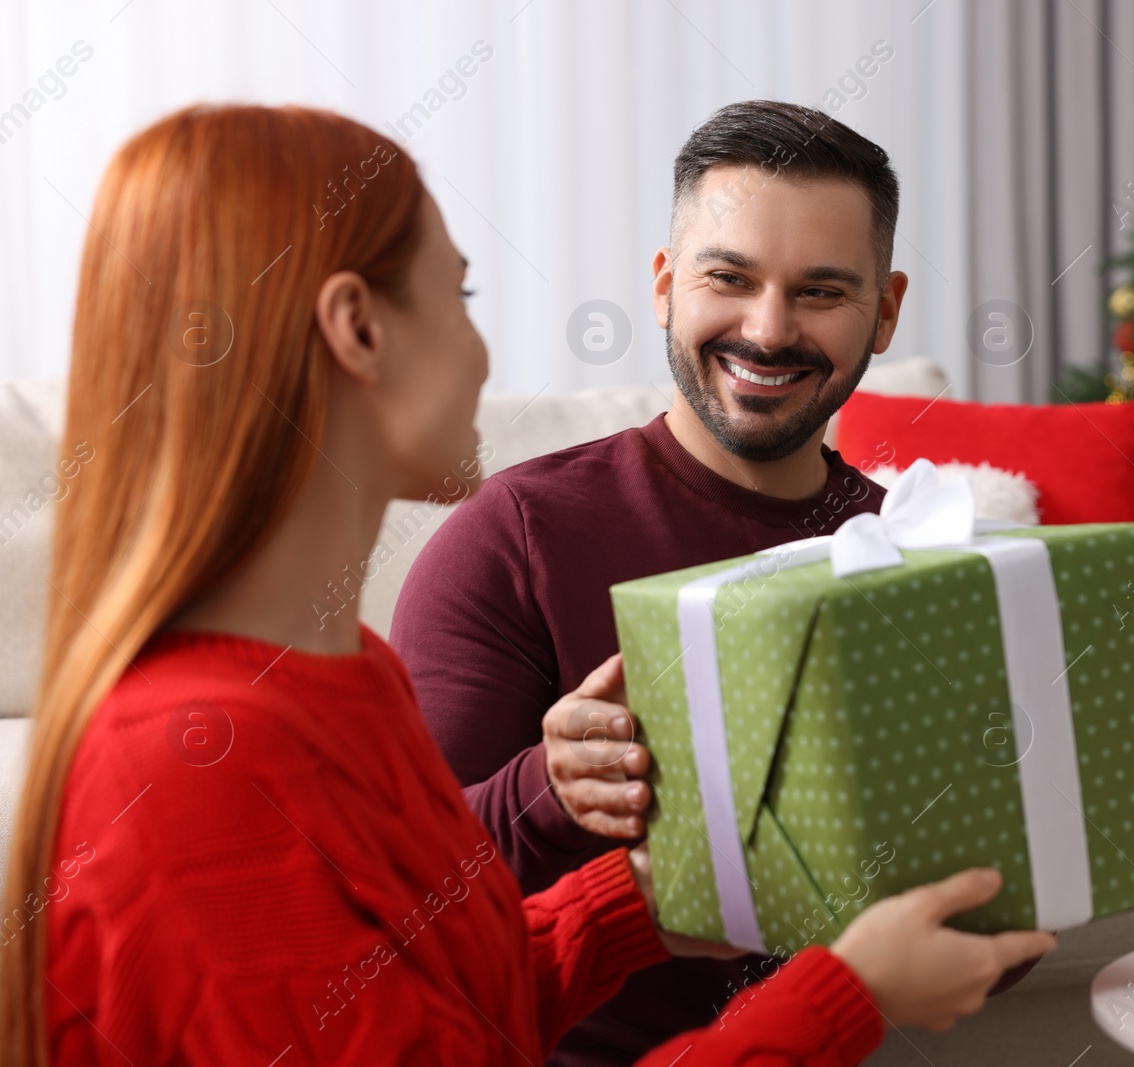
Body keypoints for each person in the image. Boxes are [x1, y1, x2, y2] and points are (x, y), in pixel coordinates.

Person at [0, 105, 1054, 1066]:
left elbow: (449, 999)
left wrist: (638, 904)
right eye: (457, 293)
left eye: (820, 288)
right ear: (358, 329)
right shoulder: (200, 769)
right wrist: (846, 993)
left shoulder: (347, 676)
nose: (484, 350)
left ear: (881, 309)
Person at [389, 101, 996, 1064]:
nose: (768, 329)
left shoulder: (916, 552)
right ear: (667, 285)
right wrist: (550, 790)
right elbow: (400, 903)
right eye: (731, 277)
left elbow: (986, 922)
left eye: (822, 292)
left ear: (885, 312)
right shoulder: (514, 536)